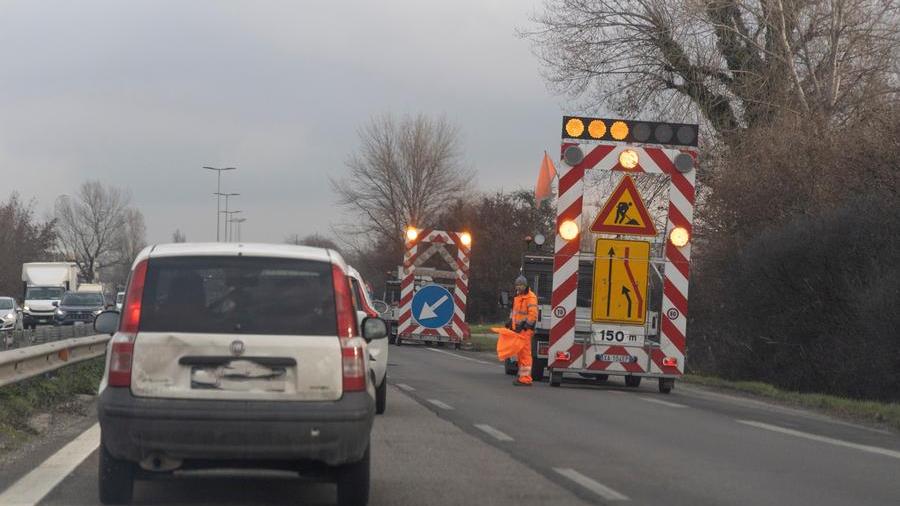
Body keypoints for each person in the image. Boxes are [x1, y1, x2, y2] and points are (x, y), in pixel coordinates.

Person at [506, 275, 538, 386]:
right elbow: (515, 313)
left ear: (525, 285)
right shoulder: (518, 297)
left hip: (525, 331)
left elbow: (533, 315)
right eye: (517, 285)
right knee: (520, 355)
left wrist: (525, 326)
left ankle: (525, 378)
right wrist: (510, 322)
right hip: (518, 330)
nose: (518, 287)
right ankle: (522, 376)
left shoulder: (531, 297)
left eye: (521, 285)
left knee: (525, 355)